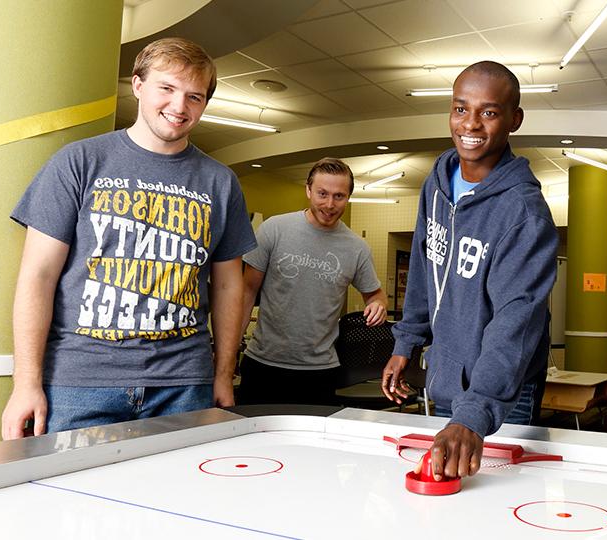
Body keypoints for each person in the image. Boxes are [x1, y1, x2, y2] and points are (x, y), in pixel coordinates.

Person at [1, 37, 257, 439]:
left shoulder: (220, 182)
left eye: (195, 97)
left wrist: (223, 374)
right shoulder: (79, 162)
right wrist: (25, 383)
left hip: (184, 384)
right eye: (167, 88)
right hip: (80, 383)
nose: (179, 107)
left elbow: (228, 286)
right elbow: (38, 276)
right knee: (74, 500)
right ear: (138, 85)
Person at [380, 61, 558, 482]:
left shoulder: (524, 213)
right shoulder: (436, 184)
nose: (471, 124)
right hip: (446, 377)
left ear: (514, 120)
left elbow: (516, 319)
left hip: (503, 389)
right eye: (461, 109)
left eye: (489, 112)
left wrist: (475, 413)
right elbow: (426, 268)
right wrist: (406, 342)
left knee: (497, 505)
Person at [237, 158, 387, 406]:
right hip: (263, 364)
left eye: (339, 196)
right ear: (308, 190)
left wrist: (378, 304)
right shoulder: (274, 229)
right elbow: (246, 293)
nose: (329, 204)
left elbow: (376, 295)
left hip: (320, 371)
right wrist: (229, 353)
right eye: (322, 193)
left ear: (348, 197)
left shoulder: (356, 248)